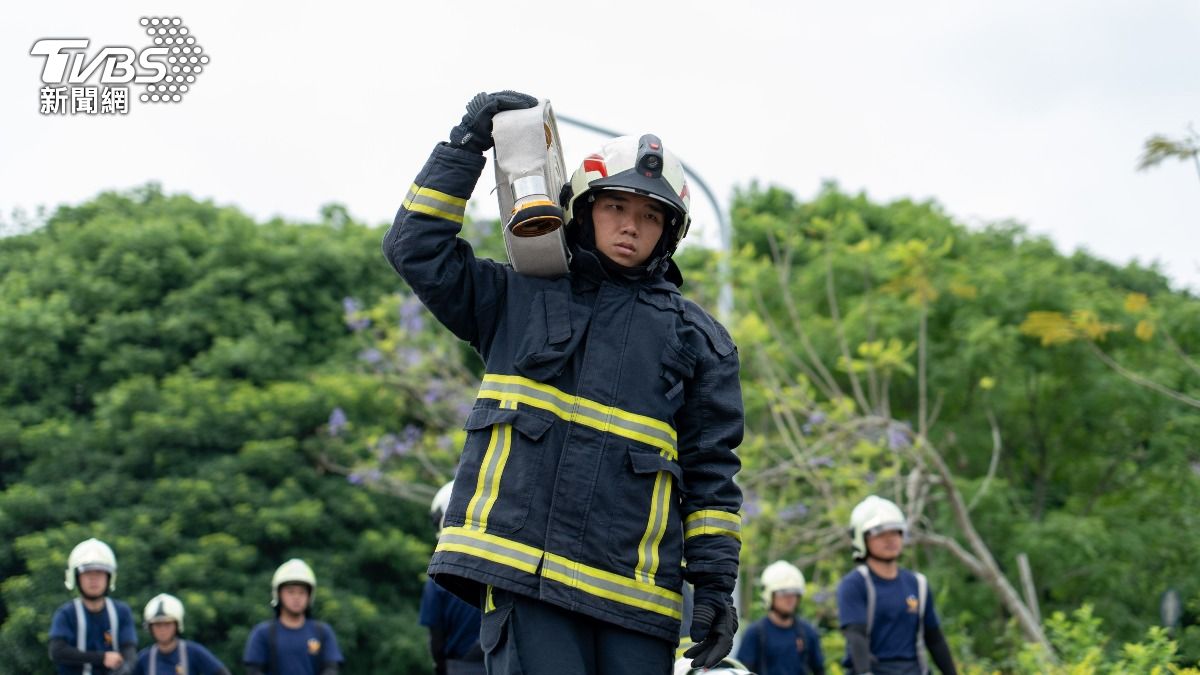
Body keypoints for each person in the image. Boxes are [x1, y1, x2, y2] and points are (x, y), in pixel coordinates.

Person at [383, 91, 744, 675]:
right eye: (616, 207)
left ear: (669, 231)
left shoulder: (701, 341)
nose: (632, 226)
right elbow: (415, 249)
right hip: (527, 579)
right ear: (583, 208)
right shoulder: (515, 296)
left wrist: (716, 589)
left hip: (636, 601)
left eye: (651, 215)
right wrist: (467, 144)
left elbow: (712, 481)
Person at [836, 496, 957, 675]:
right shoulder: (854, 584)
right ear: (862, 539)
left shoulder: (918, 584)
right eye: (880, 534)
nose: (890, 540)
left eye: (895, 532)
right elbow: (856, 637)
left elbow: (934, 639)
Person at [420, 481, 485, 675]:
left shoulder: (439, 577)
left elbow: (436, 639)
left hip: (460, 667)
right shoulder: (503, 570)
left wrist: (441, 667)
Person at [49, 537, 138, 675]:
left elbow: (129, 654)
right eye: (87, 573)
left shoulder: (121, 612)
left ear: (109, 577)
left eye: (99, 573)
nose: (93, 578)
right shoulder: (66, 613)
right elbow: (57, 652)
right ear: (76, 577)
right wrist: (101, 658)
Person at [242, 559, 344, 675]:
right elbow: (254, 671)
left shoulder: (322, 632)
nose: (297, 597)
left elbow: (331, 668)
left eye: (302, 592)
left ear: (310, 596)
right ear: (278, 594)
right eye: (290, 592)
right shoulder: (263, 633)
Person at [736, 560, 825, 675]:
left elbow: (819, 670)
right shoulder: (755, 633)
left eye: (794, 592)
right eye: (784, 593)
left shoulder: (808, 632)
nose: (790, 599)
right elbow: (743, 671)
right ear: (769, 595)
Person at [132, 593, 230, 675]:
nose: (162, 629)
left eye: (167, 624)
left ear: (177, 625)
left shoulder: (194, 652)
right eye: (157, 624)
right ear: (150, 628)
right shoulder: (143, 658)